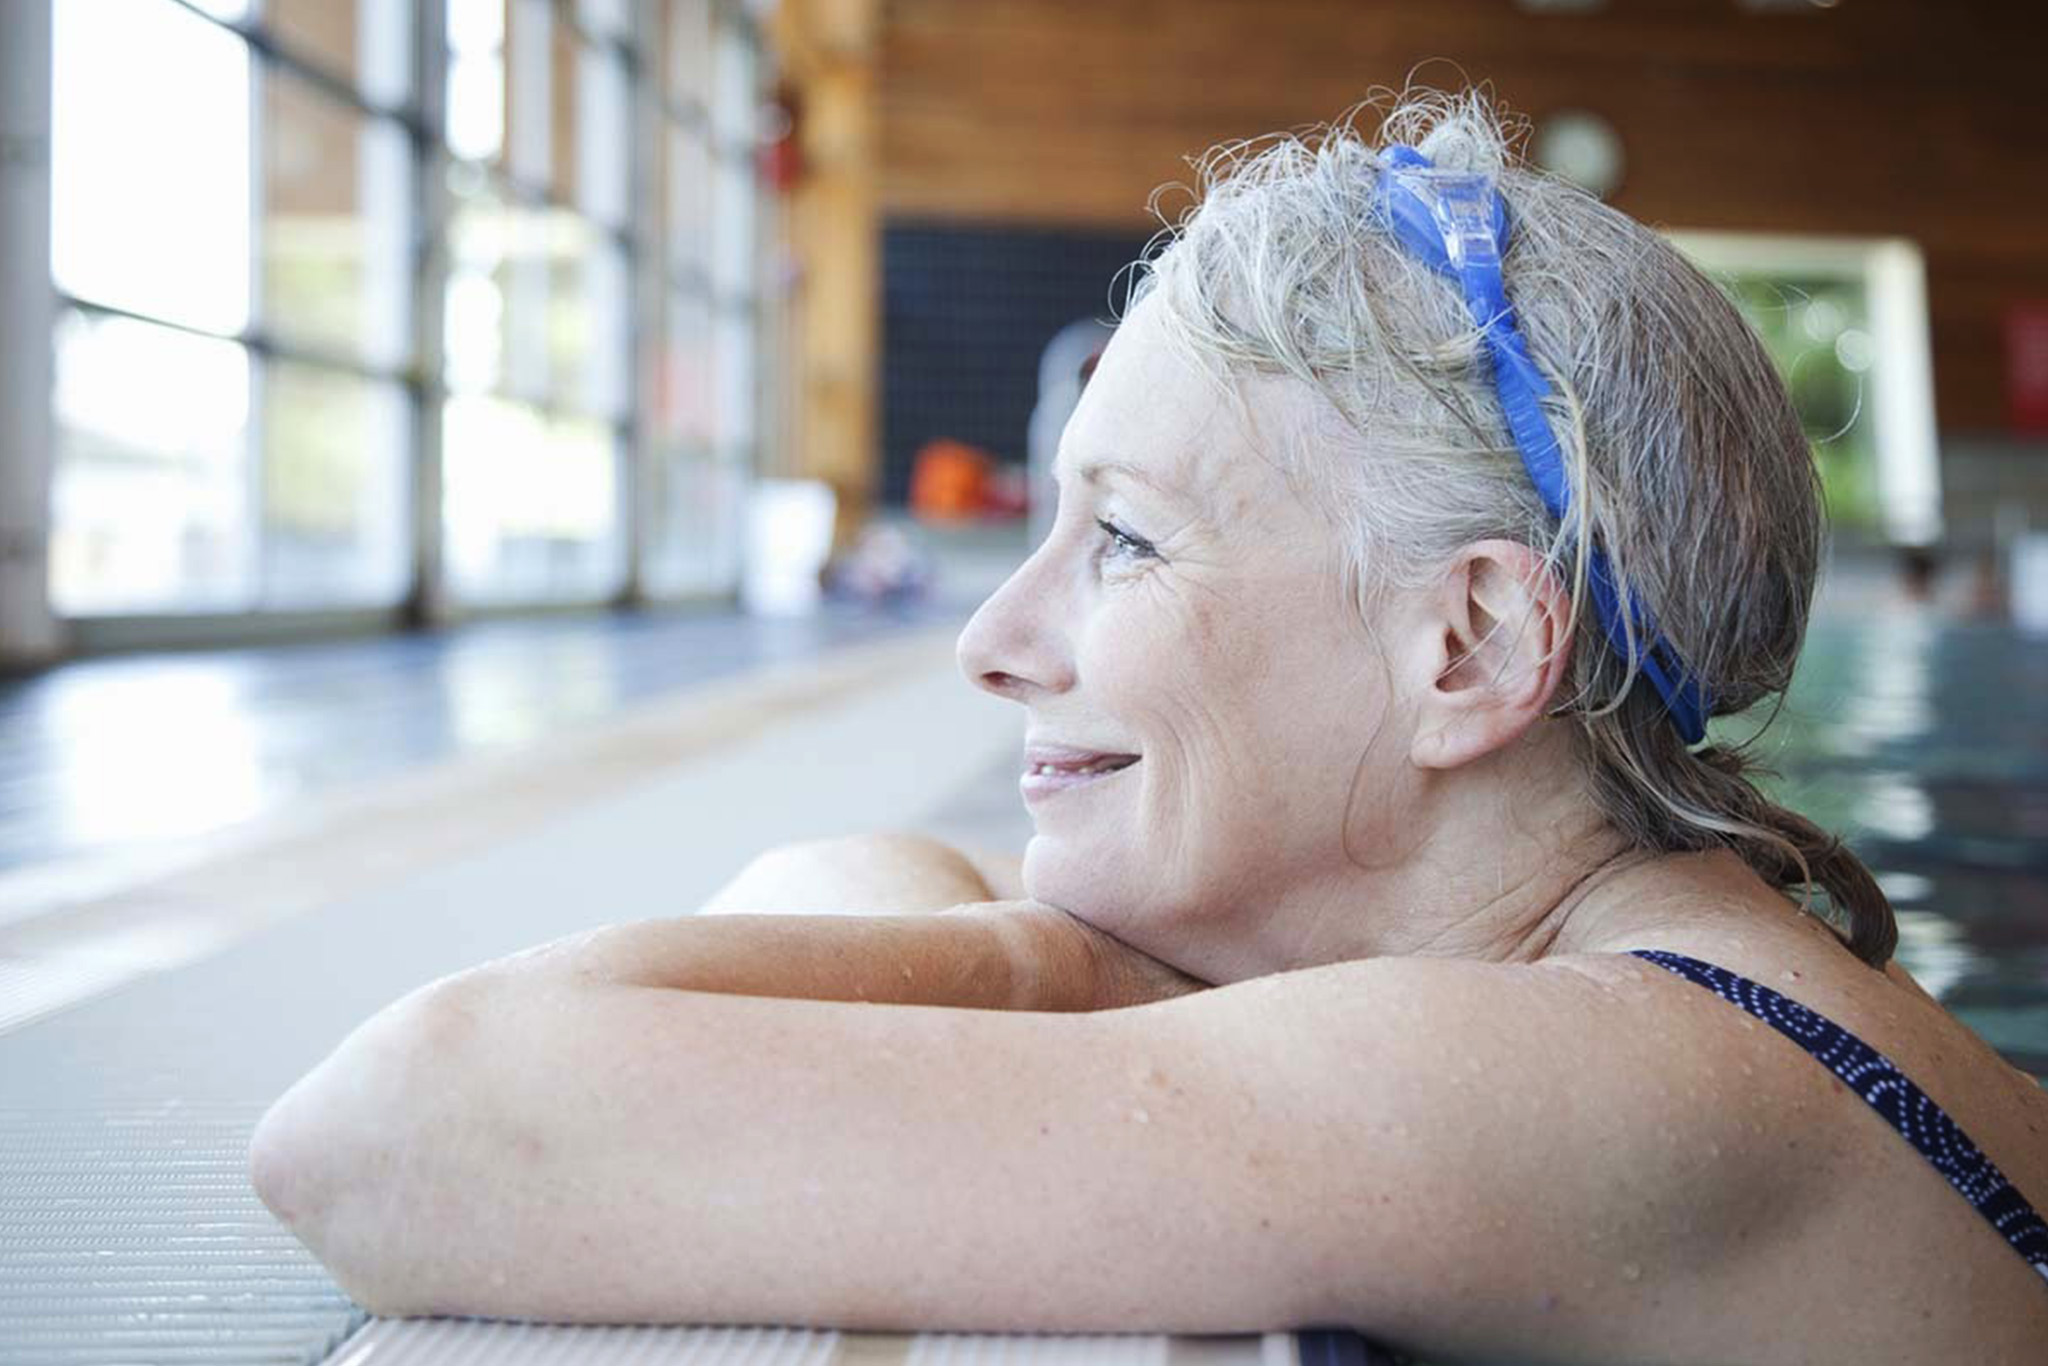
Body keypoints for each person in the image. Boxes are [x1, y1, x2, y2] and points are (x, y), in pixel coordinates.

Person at [249, 87, 2048, 1363]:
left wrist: (1048, 963)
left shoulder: (1600, 1084)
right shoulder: (1654, 992)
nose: (991, 637)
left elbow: (398, 1127)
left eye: (1121, 538)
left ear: (1471, 639)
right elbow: (833, 876)